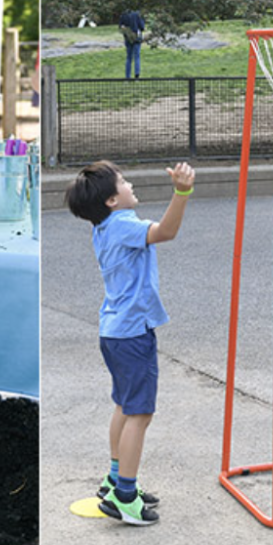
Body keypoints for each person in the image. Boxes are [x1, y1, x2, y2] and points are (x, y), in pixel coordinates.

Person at [65, 159, 196, 525]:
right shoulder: (123, 225)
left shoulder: (103, 227)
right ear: (111, 200)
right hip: (132, 333)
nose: (129, 184)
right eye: (123, 182)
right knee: (140, 412)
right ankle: (125, 495)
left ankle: (113, 480)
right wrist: (182, 192)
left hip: (114, 331)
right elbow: (166, 232)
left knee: (124, 406)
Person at [118, 9, 145, 80]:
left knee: (129, 57)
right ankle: (137, 75)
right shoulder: (137, 14)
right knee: (137, 57)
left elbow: (120, 26)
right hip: (136, 38)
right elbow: (142, 27)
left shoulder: (124, 14)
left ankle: (127, 76)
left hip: (128, 38)